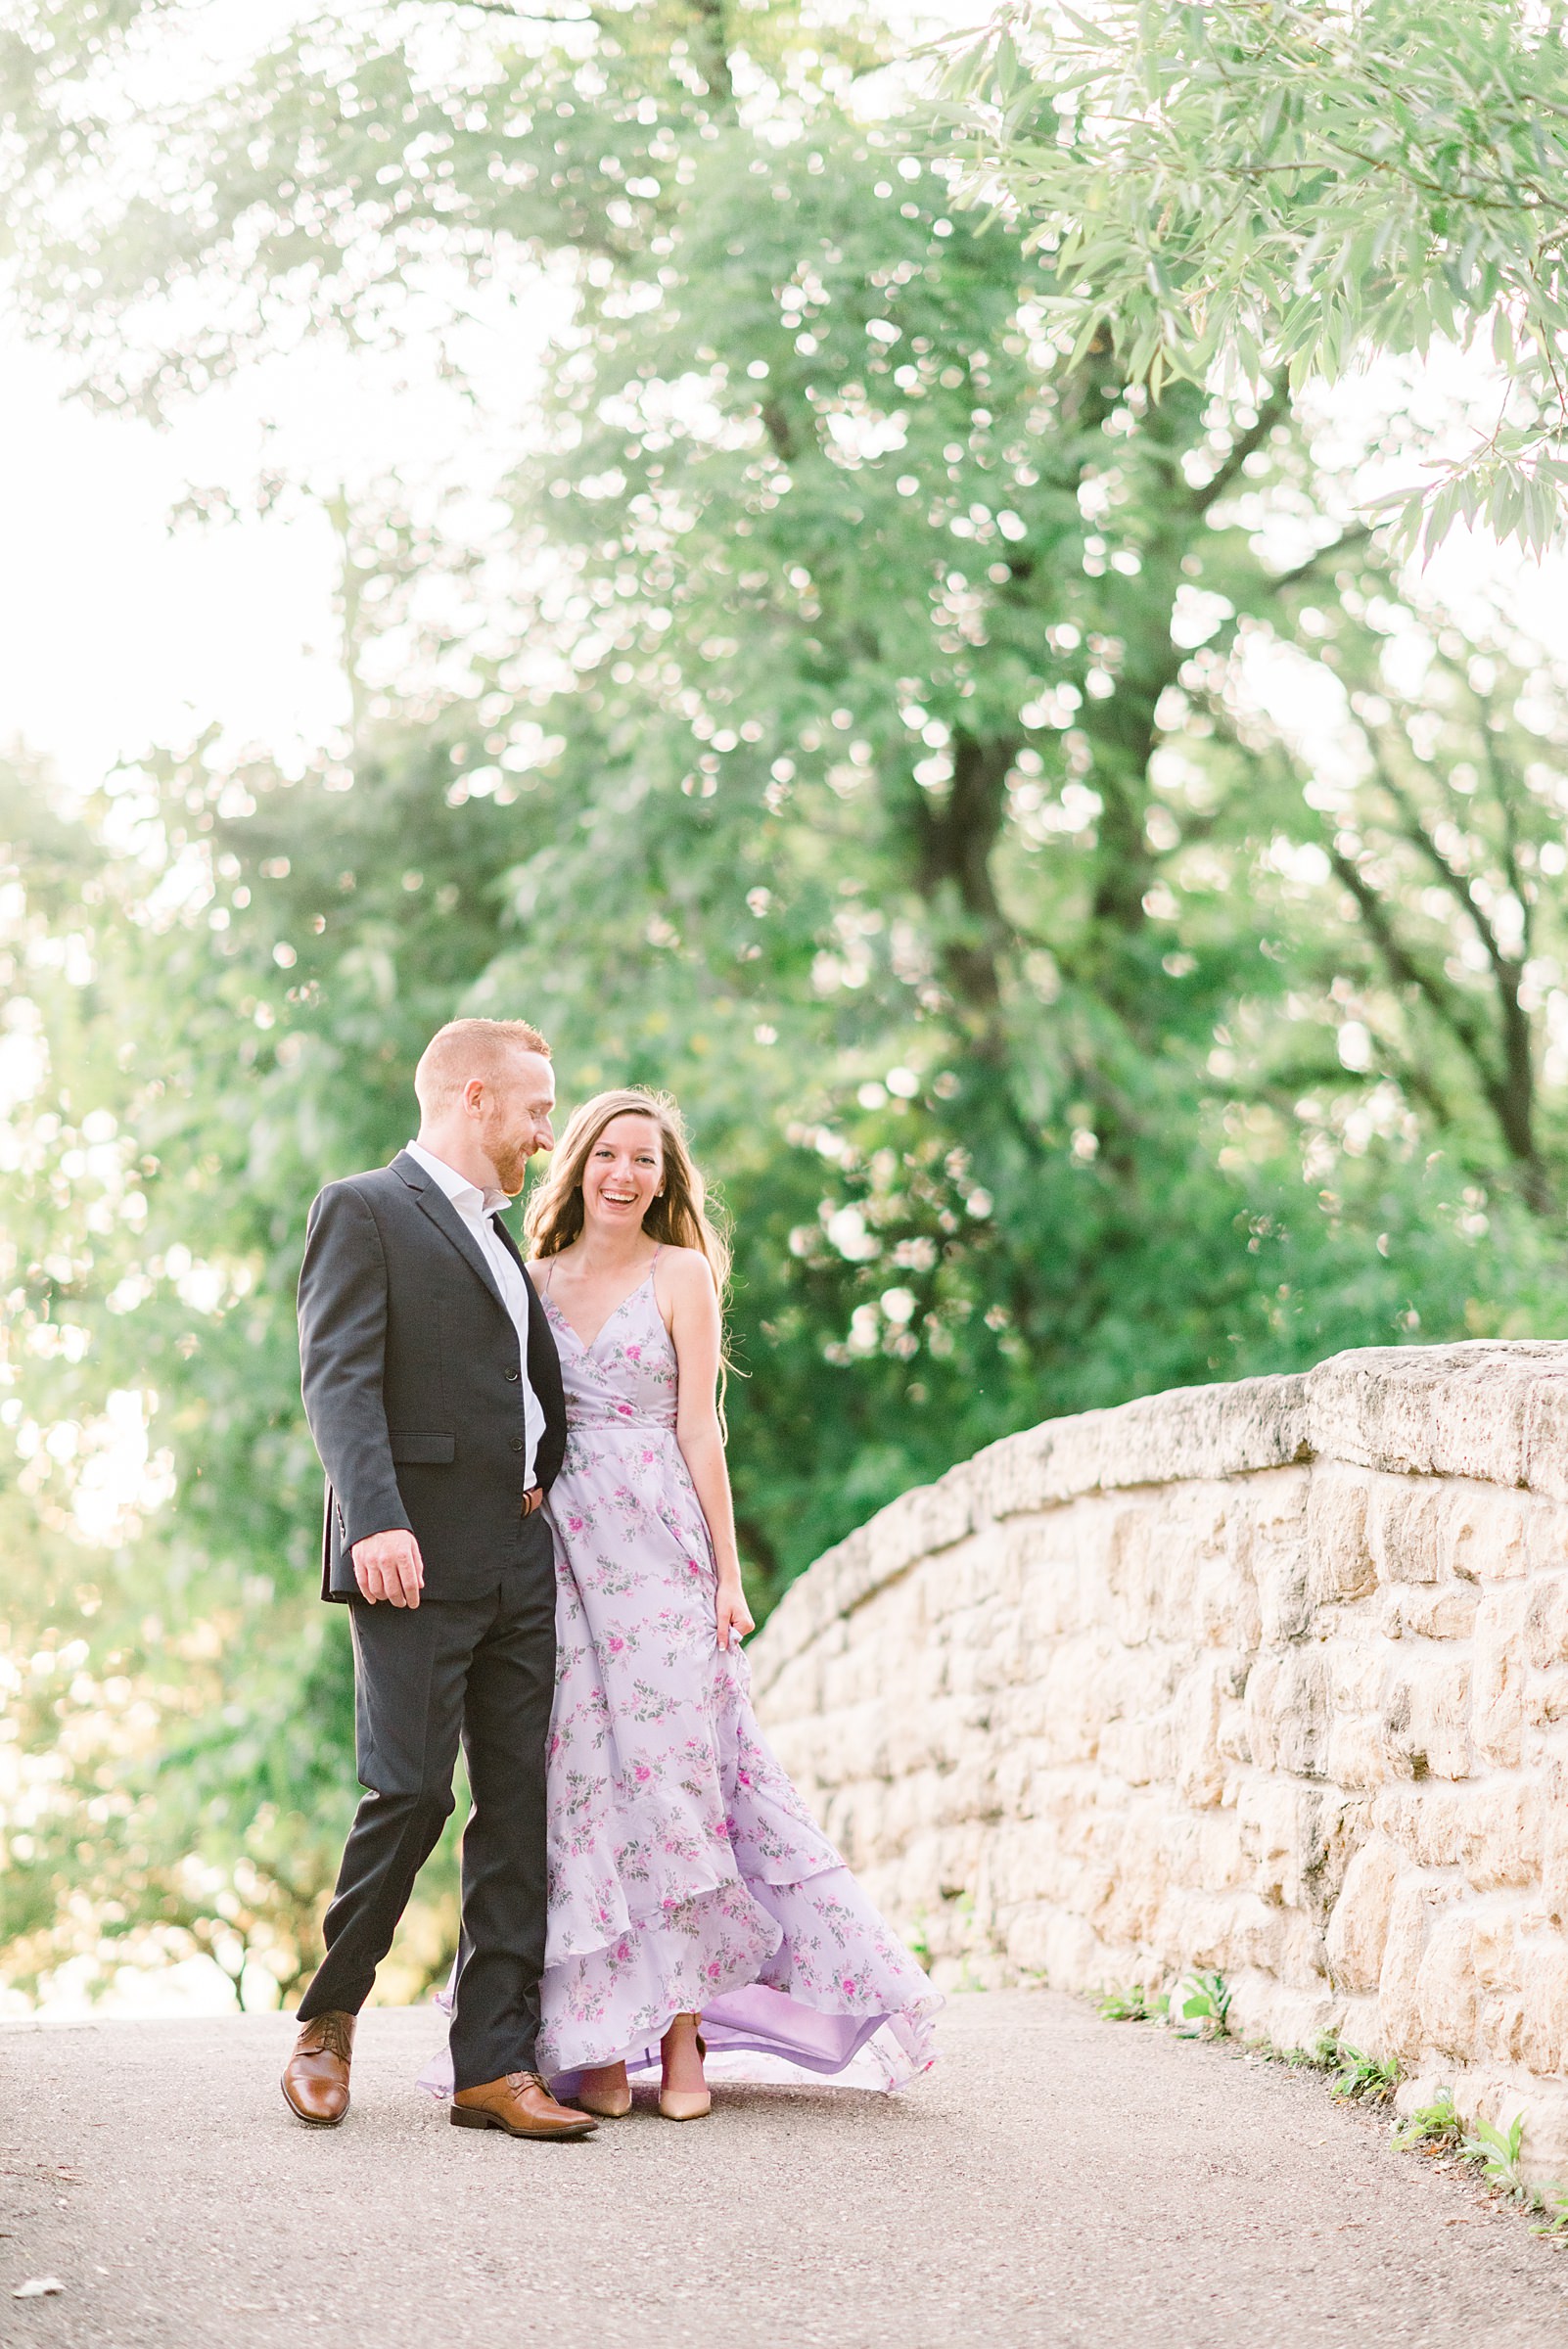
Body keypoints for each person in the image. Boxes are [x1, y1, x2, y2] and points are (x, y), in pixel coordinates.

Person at [422, 1086, 938, 2120]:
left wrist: (731, 1573)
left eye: (645, 1161)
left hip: (660, 1548)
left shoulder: (681, 1273)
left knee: (676, 1788)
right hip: (559, 1551)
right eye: (607, 1154)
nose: (625, 1173)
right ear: (577, 1164)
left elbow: (702, 1428)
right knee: (579, 1795)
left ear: (665, 1180)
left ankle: (684, 2033)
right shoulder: (529, 1280)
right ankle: (600, 2038)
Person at [280, 1017, 596, 2142]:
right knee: (410, 1794)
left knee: (519, 1811)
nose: (545, 1129)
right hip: (410, 1554)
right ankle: (327, 2020)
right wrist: (374, 1522)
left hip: (521, 1553)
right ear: (474, 1098)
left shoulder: (502, 1234)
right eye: (536, 1107)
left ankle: (492, 2069)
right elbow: (338, 1377)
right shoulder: (364, 1207)